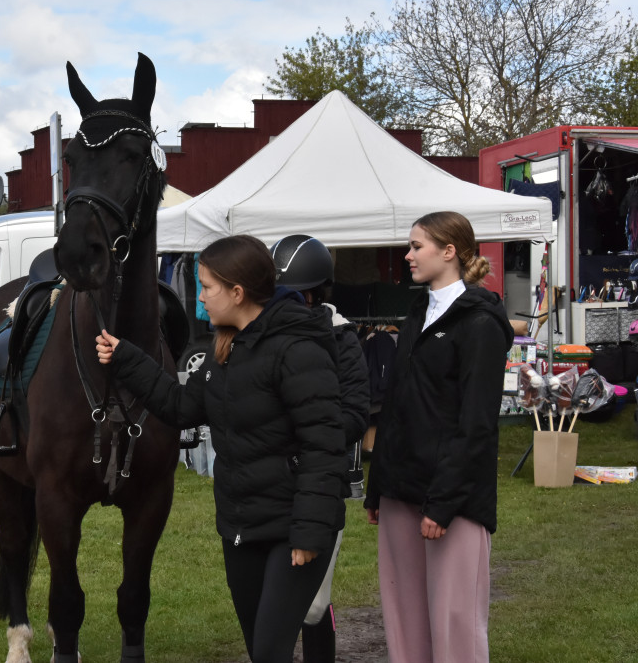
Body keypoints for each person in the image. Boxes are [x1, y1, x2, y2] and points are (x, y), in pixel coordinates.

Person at [95, 234, 348, 663]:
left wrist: (309, 531)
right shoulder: (223, 349)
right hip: (241, 529)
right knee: (260, 651)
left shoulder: (298, 349)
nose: (201, 299)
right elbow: (180, 406)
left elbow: (323, 446)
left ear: (237, 291)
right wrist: (128, 358)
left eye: (207, 287)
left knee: (270, 652)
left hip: (292, 530)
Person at [364, 211, 513, 663]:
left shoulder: (481, 324)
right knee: (405, 621)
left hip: (453, 499)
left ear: (449, 251)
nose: (407, 255)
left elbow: (477, 424)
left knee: (455, 625)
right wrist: (378, 489)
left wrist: (444, 503)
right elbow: (395, 409)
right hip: (400, 491)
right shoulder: (416, 313)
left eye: (416, 246)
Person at [271, 234, 370, 663]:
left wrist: (305, 435)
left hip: (322, 479)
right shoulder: (265, 331)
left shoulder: (341, 338)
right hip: (270, 484)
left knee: (313, 604)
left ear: (313, 295)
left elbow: (353, 415)